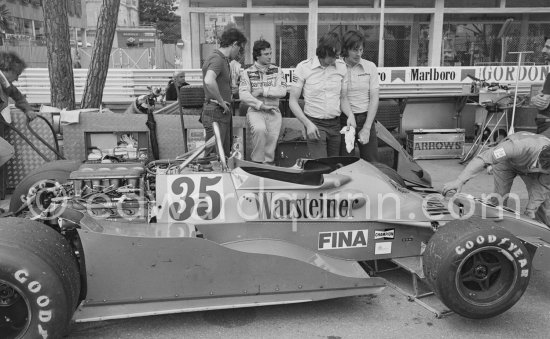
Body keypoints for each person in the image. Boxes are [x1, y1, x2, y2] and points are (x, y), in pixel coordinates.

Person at [442, 131, 550, 225]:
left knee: (543, 204)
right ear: (540, 162)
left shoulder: (545, 168)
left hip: (532, 167)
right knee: (500, 199)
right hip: (506, 162)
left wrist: (530, 212)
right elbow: (483, 159)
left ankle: (543, 234)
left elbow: (541, 187)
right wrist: (459, 181)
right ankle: (494, 230)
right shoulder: (515, 146)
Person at [289, 32, 355, 159]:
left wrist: (350, 115)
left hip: (335, 125)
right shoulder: (304, 67)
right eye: (333, 56)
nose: (335, 60)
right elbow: (293, 101)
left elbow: (343, 98)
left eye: (337, 56)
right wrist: (307, 124)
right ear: (323, 51)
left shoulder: (341, 67)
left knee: (333, 165)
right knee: (321, 165)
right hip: (315, 123)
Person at [239, 39, 287, 164]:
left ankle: (268, 165)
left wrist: (262, 91)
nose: (270, 56)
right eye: (266, 54)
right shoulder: (247, 72)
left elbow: (282, 91)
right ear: (257, 55)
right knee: (260, 130)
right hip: (256, 110)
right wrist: (260, 105)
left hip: (274, 111)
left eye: (270, 53)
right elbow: (243, 95)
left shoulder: (277, 70)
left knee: (272, 139)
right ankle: (257, 163)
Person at [201, 28, 247, 157]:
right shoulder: (217, 59)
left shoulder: (222, 59)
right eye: (240, 48)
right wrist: (221, 101)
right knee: (215, 156)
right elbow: (209, 80)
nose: (239, 52)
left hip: (219, 110)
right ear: (234, 44)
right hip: (216, 111)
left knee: (223, 154)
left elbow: (213, 81)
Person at [340, 30, 380, 161]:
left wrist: (367, 128)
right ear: (345, 49)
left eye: (361, 50)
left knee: (372, 163)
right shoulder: (337, 67)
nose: (358, 54)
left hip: (366, 119)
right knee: (346, 164)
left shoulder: (370, 67)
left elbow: (374, 98)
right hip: (344, 120)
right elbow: (340, 96)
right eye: (354, 50)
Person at [0, 51, 37, 168]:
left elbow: (18, 96)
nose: (17, 79)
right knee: (7, 152)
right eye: (17, 74)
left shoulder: (5, 84)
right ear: (9, 70)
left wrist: (28, 110)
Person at [531, 36, 550, 137]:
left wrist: (534, 99)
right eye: (544, 47)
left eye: (548, 47)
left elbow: (543, 103)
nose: (543, 50)